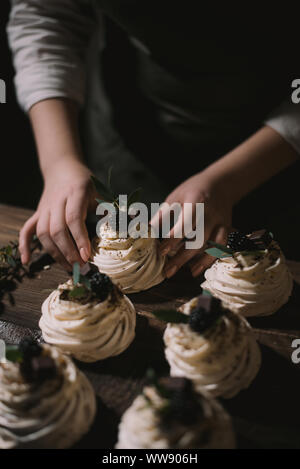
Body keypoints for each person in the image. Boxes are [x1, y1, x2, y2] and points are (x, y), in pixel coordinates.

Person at [7, 1, 300, 276]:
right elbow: (45, 15)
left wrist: (231, 181)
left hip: (277, 152)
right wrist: (59, 162)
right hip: (131, 127)